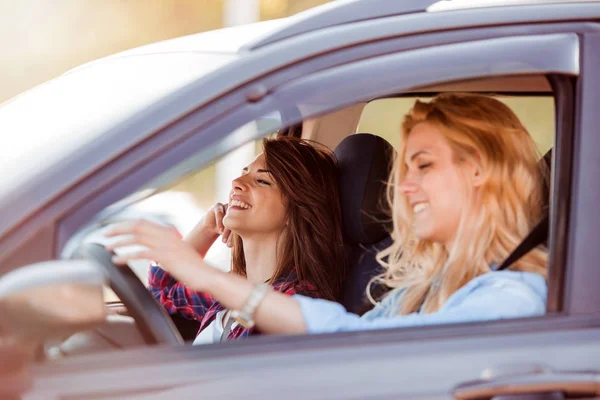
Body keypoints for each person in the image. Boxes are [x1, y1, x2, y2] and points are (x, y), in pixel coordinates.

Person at [107, 93, 548, 336]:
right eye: (406, 167)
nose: (404, 185)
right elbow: (352, 341)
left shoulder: (510, 299)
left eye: (424, 165)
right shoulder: (420, 291)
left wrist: (208, 276)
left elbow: (356, 346)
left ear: (478, 172)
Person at [110, 137, 346, 343]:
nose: (237, 183)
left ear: (295, 211)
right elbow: (163, 292)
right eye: (244, 173)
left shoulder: (294, 304)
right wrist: (206, 228)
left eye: (262, 181)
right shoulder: (233, 291)